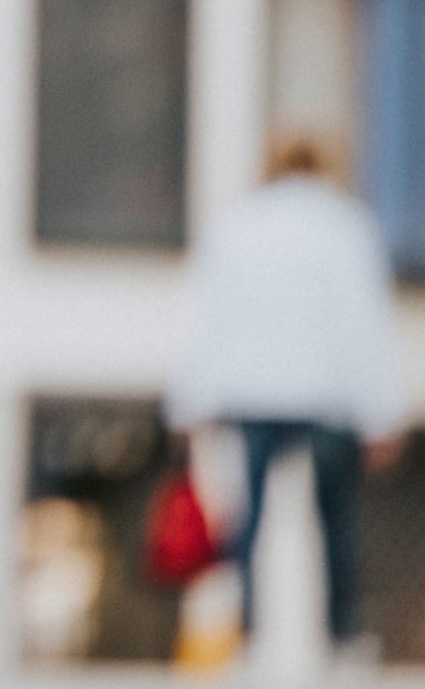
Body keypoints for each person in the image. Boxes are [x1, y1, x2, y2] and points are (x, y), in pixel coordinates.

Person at [167, 132, 410, 653]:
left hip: (252, 394)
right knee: (335, 522)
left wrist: (188, 404)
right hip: (325, 397)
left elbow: (210, 319)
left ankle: (247, 633)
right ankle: (341, 636)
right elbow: (365, 325)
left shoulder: (238, 226)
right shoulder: (346, 227)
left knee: (247, 524)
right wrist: (382, 414)